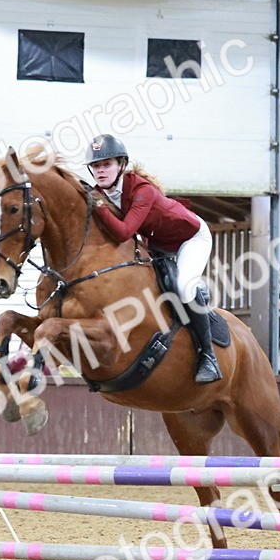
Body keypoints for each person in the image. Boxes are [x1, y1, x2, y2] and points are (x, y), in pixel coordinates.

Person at [85, 134, 221, 383]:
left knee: (183, 286)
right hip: (159, 242)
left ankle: (208, 356)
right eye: (96, 166)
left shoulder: (141, 190)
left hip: (190, 238)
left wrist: (99, 206)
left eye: (107, 164)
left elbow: (125, 232)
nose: (100, 171)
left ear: (121, 165)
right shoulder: (98, 194)